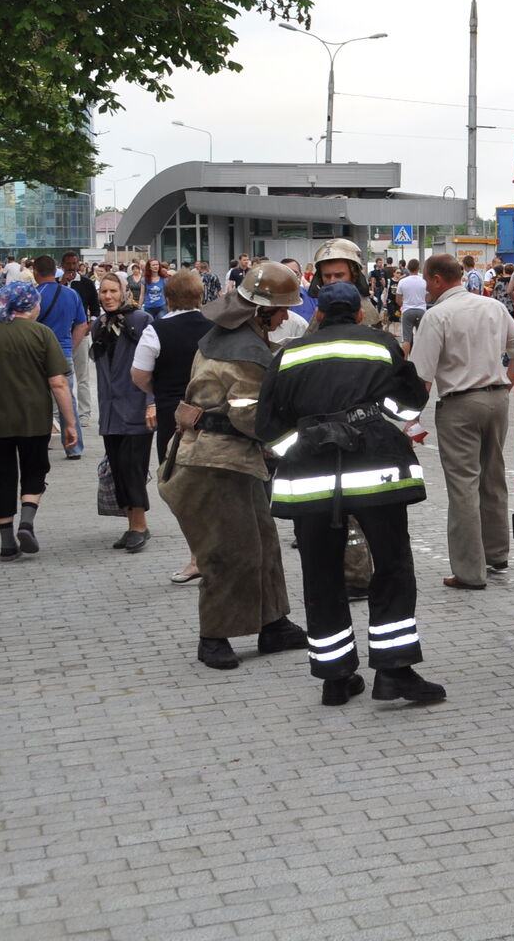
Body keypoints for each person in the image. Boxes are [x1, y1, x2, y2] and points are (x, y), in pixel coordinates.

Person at [257, 280, 444, 707]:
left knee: (321, 576)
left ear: (318, 314)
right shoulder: (381, 343)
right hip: (377, 471)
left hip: (309, 481)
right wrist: (373, 419)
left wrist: (306, 444)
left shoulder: (287, 354)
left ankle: (335, 678)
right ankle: (395, 672)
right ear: (360, 313)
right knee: (392, 566)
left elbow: (267, 428)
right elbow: (409, 405)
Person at [159, 263, 307, 670]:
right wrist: (296, 438)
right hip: (213, 463)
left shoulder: (230, 337)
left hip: (230, 460)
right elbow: (250, 417)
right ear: (258, 310)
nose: (283, 317)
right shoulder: (246, 353)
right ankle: (213, 637)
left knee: (262, 543)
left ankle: (273, 624)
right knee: (227, 551)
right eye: (278, 310)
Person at [410, 254, 514, 590]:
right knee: (494, 478)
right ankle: (497, 554)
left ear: (438, 279)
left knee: (463, 487)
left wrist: (409, 420)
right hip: (497, 399)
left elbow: (422, 377)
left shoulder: (437, 316)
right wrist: (506, 382)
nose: (426, 286)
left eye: (427, 280)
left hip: (459, 406)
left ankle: (469, 573)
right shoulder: (493, 307)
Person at [0, 282, 79, 560]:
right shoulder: (41, 333)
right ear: (29, 305)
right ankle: (27, 522)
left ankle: (6, 543)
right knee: (34, 470)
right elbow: (59, 383)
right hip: (33, 420)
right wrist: (70, 423)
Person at [308, 238, 377, 599]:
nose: (334, 281)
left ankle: (356, 577)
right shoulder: (318, 316)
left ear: (356, 276)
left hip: (361, 423)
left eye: (340, 274)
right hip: (324, 424)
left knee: (355, 506)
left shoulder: (366, 312)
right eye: (327, 275)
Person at [132, 269, 209, 582]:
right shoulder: (217, 328)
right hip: (214, 416)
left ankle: (198, 556)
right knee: (212, 486)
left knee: (179, 488)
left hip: (173, 418)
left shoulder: (156, 330)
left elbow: (138, 374)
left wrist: (160, 390)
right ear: (201, 296)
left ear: (167, 298)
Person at [89, 274, 154, 550]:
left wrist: (152, 401)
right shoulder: (98, 325)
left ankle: (139, 526)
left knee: (133, 468)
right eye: (103, 291)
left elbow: (154, 362)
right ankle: (133, 526)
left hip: (136, 407)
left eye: (113, 290)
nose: (107, 296)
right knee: (117, 469)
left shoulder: (141, 320)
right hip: (110, 410)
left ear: (124, 292)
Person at [30, 255, 90, 460]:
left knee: (37, 401)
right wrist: (70, 349)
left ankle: (38, 445)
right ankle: (74, 447)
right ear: (54, 271)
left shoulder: (32, 296)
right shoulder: (72, 294)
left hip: (36, 355)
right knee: (68, 399)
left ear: (36, 272)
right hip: (64, 353)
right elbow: (82, 325)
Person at [62, 251, 100, 418]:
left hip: (81, 333)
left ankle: (84, 412)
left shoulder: (86, 284)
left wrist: (89, 326)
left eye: (74, 263)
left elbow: (95, 308)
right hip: (60, 335)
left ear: (79, 264)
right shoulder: (57, 284)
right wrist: (62, 283)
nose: (71, 267)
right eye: (68, 264)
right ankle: (64, 411)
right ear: (62, 265)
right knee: (61, 375)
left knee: (82, 375)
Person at [396, 259, 428, 352]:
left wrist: (404, 304)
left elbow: (398, 299)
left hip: (407, 311)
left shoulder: (402, 281)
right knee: (421, 339)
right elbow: (429, 297)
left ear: (408, 268)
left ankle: (405, 361)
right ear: (418, 268)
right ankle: (421, 361)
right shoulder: (424, 281)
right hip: (421, 311)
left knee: (406, 339)